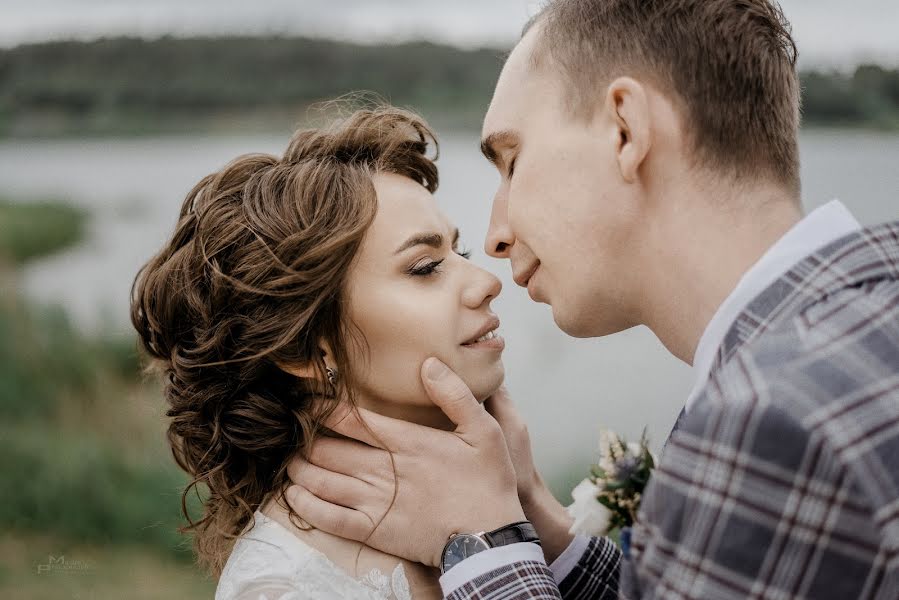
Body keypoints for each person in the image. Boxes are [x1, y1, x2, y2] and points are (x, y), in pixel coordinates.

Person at [284, 1, 899, 599]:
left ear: (626, 130)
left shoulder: (770, 424)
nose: (496, 236)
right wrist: (539, 526)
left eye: (512, 162)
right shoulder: (854, 331)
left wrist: (481, 540)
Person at [130, 107, 512, 599]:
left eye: (462, 254)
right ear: (305, 348)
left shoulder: (497, 496)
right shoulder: (285, 586)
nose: (487, 282)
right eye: (424, 267)